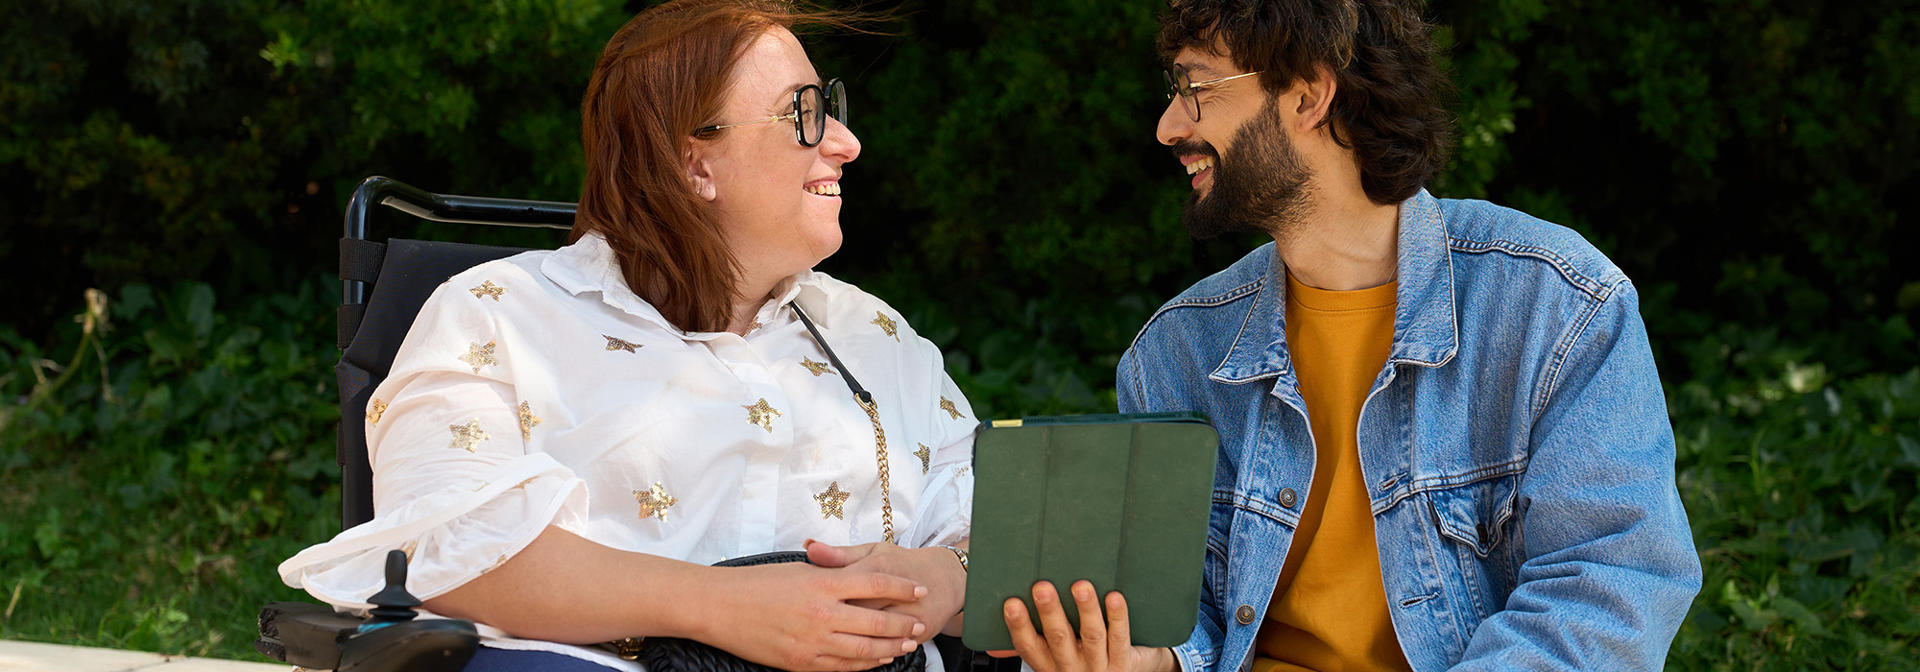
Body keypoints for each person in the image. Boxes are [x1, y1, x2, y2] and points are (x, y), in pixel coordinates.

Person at [999, 1, 1702, 670]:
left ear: (1308, 96)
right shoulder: (1175, 353)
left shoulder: (1555, 305)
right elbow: (1184, 617)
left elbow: (1612, 584)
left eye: (1196, 89)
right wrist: (1151, 659)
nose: (1166, 126)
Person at [278, 1, 976, 670]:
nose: (847, 144)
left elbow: (1012, 527)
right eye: (804, 114)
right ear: (694, 164)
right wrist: (722, 608)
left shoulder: (879, 339)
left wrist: (945, 576)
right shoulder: (497, 319)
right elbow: (444, 547)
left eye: (832, 109)